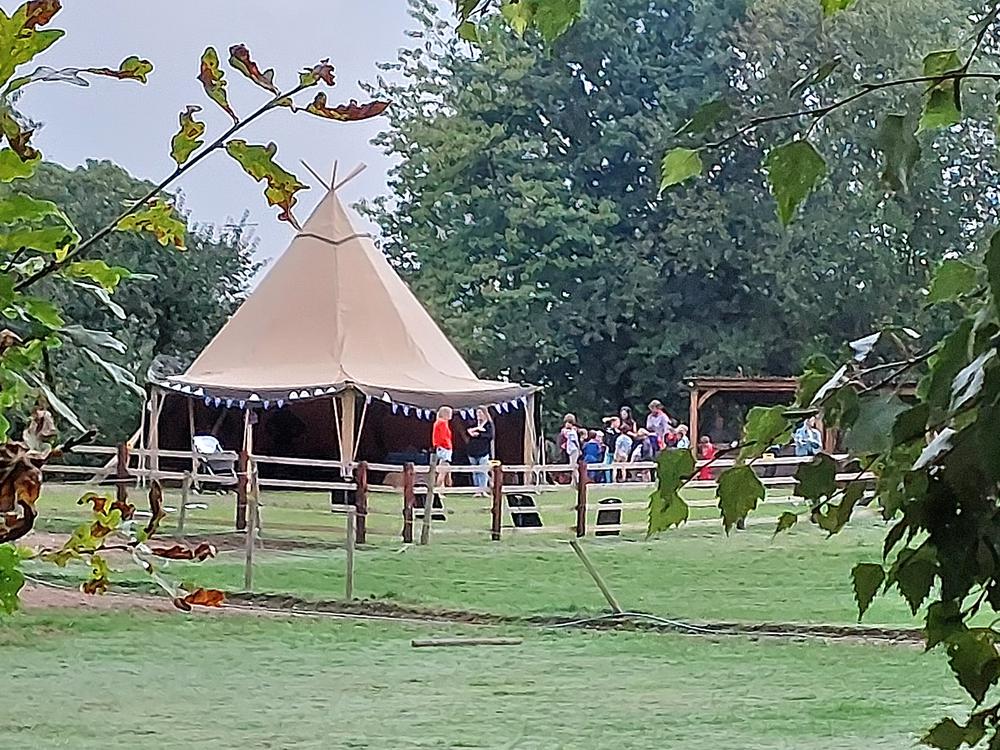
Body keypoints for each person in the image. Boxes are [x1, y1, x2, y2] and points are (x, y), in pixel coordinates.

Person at [466, 407, 494, 497]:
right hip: (472, 451)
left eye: (480, 413)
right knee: (475, 471)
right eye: (477, 413)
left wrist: (479, 434)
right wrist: (474, 430)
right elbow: (468, 431)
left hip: (483, 451)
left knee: (483, 471)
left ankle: (483, 490)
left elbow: (490, 436)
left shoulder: (488, 425)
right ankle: (477, 490)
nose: (478, 415)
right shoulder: (474, 423)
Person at [432, 406, 454, 488]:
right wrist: (448, 446)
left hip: (441, 448)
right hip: (444, 448)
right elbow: (443, 436)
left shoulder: (438, 422)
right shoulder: (442, 423)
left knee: (444, 467)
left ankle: (443, 486)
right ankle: (438, 487)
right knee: (443, 470)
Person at [559, 414, 581, 485]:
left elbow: (575, 441)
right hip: (570, 450)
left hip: (573, 450)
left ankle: (577, 480)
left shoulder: (572, 432)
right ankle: (573, 481)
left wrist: (578, 449)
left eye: (569, 423)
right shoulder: (569, 431)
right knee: (572, 465)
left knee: (573, 465)